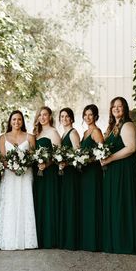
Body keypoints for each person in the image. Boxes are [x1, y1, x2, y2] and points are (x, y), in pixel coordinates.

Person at [100, 97, 136, 254]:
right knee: (114, 204)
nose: (116, 109)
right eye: (113, 106)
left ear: (125, 108)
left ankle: (125, 242)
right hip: (113, 171)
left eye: (120, 106)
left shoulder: (127, 125)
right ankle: (115, 241)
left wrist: (109, 158)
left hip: (124, 171)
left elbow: (130, 148)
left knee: (122, 202)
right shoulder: (112, 127)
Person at [0, 110, 38, 250]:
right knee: (10, 203)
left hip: (25, 174)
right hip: (9, 174)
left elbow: (33, 157)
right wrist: (12, 167)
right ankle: (9, 240)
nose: (16, 122)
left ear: (22, 121)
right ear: (10, 121)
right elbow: (3, 158)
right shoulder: (3, 137)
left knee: (25, 201)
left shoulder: (30, 137)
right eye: (14, 119)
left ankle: (26, 240)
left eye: (19, 119)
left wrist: (23, 165)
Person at [33, 106, 61, 248]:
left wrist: (47, 164)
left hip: (49, 173)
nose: (42, 117)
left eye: (45, 115)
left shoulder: (53, 132)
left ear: (50, 117)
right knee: (39, 201)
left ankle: (50, 238)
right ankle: (39, 238)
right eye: (40, 115)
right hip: (37, 174)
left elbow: (58, 155)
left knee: (48, 202)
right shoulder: (36, 134)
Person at [80, 104, 103, 251]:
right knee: (87, 204)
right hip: (85, 173)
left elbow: (102, 152)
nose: (88, 117)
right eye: (86, 115)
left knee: (93, 203)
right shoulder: (85, 132)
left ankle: (95, 242)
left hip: (94, 172)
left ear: (95, 116)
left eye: (90, 115)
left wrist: (88, 160)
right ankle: (87, 240)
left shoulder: (96, 131)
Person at [58, 107, 80, 250]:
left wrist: (67, 162)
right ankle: (66, 238)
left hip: (71, 174)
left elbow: (78, 155)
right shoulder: (63, 133)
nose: (64, 119)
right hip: (65, 174)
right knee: (65, 203)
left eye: (67, 116)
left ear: (71, 118)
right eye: (62, 116)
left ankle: (72, 240)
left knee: (71, 203)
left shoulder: (73, 133)